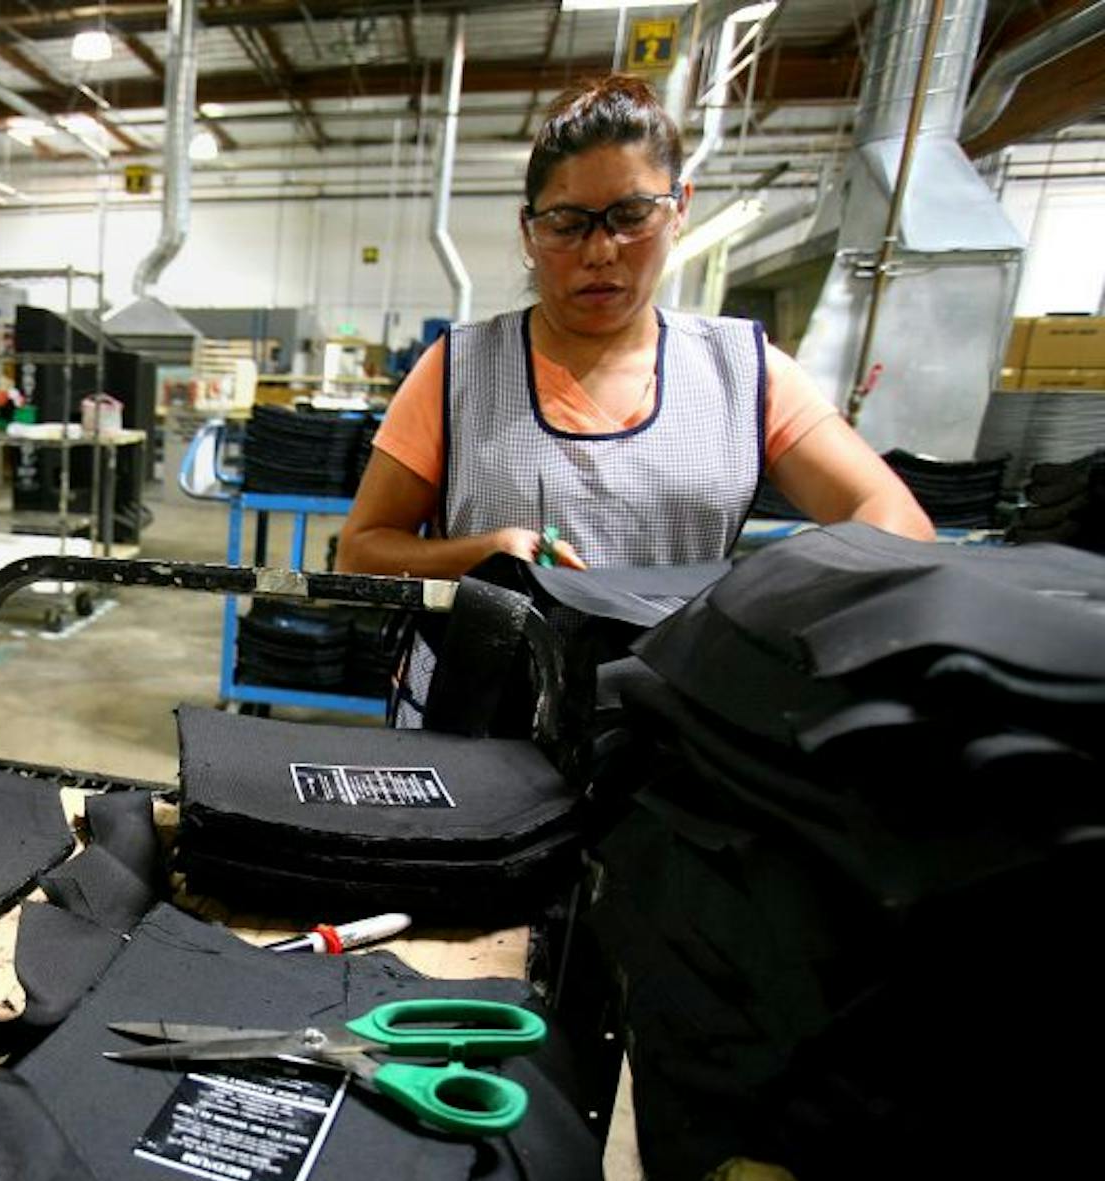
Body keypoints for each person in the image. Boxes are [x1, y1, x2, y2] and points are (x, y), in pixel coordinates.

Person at [338, 75, 932, 720]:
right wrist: (479, 555)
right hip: (480, 711)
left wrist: (764, 596)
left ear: (679, 210)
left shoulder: (747, 374)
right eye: (567, 224)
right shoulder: (460, 370)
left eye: (630, 217)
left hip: (673, 727)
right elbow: (363, 551)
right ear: (529, 230)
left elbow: (897, 526)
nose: (600, 252)